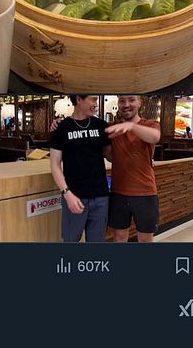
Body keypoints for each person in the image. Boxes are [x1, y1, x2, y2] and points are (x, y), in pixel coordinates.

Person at [50, 95, 111, 242]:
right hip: (74, 196)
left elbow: (111, 157)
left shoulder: (102, 126)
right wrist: (67, 193)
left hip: (100, 197)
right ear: (79, 99)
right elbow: (54, 164)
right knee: (70, 241)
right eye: (93, 100)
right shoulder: (61, 128)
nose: (96, 104)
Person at [106, 95, 161, 243]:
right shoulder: (113, 127)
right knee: (119, 237)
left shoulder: (150, 124)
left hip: (145, 192)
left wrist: (131, 126)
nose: (126, 104)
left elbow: (155, 137)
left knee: (145, 239)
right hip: (118, 193)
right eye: (122, 100)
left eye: (131, 100)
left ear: (139, 102)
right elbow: (111, 157)